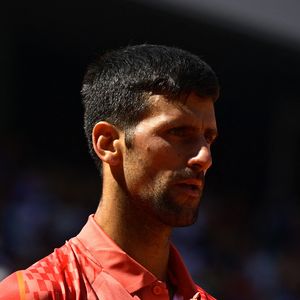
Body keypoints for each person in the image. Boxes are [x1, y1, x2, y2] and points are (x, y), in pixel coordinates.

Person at [0, 44, 219, 299]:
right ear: (107, 143)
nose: (205, 157)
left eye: (209, 138)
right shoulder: (33, 293)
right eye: (179, 133)